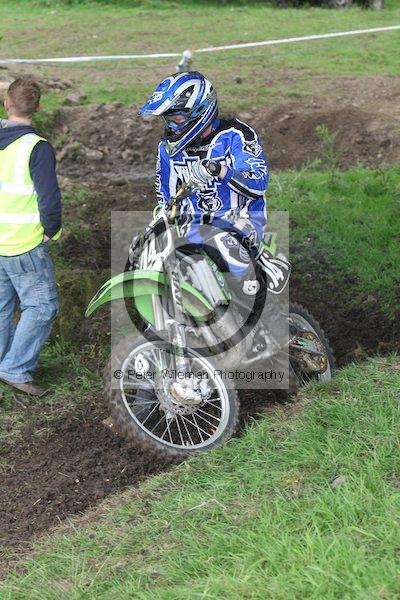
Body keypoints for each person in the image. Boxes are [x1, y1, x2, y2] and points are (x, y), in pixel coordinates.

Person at [138, 70, 269, 285]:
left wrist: (218, 169)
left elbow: (258, 183)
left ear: (200, 112)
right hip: (194, 228)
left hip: (240, 222)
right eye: (168, 120)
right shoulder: (167, 149)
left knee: (227, 255)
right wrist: (159, 222)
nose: (172, 127)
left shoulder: (235, 135)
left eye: (177, 119)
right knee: (158, 261)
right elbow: (166, 198)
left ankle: (263, 299)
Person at [0, 77, 62, 396]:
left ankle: (4, 361)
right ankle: (14, 368)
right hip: (23, 243)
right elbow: (48, 199)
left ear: (6, 104)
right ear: (38, 107)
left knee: (1, 306)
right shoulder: (36, 147)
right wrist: (51, 230)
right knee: (42, 306)